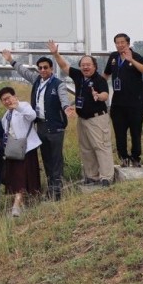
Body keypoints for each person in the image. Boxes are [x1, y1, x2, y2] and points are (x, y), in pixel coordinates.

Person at [2, 49, 69, 201]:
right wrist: (11, 60)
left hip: (56, 127)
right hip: (41, 126)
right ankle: (51, 190)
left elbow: (64, 98)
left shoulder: (58, 84)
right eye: (40, 68)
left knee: (56, 160)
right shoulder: (37, 80)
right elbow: (23, 71)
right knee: (46, 160)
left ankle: (57, 191)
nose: (43, 70)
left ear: (51, 69)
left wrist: (66, 107)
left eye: (46, 67)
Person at [50, 41, 115, 186]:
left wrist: (98, 96)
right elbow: (64, 66)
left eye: (88, 65)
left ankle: (106, 177)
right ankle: (92, 176)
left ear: (94, 66)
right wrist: (55, 53)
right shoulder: (78, 75)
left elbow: (105, 95)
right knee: (86, 148)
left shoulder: (99, 80)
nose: (85, 67)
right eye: (83, 65)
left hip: (97, 118)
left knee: (101, 146)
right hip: (82, 119)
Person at [104, 33, 143, 167]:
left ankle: (136, 157)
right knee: (120, 133)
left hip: (135, 103)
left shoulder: (136, 56)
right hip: (118, 103)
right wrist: (97, 85)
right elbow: (106, 74)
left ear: (128, 43)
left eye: (122, 42)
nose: (120, 45)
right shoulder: (113, 57)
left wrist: (132, 60)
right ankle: (123, 157)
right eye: (117, 43)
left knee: (135, 132)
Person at [0, 86, 42, 216]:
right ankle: (21, 204)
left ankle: (17, 205)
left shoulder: (23, 106)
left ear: (14, 96)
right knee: (19, 178)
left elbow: (32, 116)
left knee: (27, 176)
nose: (7, 101)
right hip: (15, 152)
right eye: (4, 100)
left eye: (8, 98)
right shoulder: (5, 117)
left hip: (28, 148)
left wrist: (18, 107)